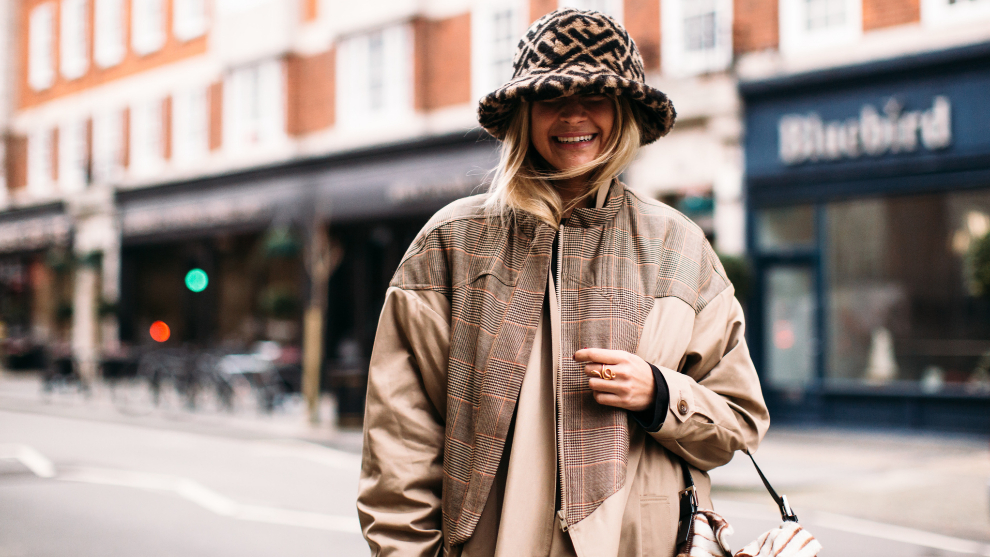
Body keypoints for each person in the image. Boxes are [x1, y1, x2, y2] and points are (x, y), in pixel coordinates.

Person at [358, 8, 769, 557]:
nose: (574, 116)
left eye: (595, 97)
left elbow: (739, 420)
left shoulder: (678, 246)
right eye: (552, 98)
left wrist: (659, 393)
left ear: (622, 112)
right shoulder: (451, 245)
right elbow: (400, 445)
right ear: (524, 115)